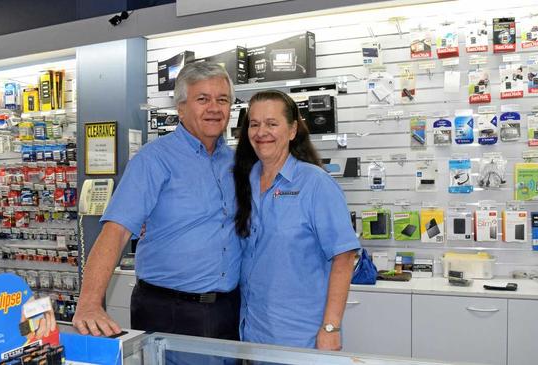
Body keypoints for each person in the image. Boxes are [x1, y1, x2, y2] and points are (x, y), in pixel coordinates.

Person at [72, 62, 241, 343]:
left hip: (227, 309)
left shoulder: (235, 162)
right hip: (170, 312)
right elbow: (116, 231)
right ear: (181, 108)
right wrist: (89, 302)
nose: (214, 108)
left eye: (222, 100)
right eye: (203, 99)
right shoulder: (153, 160)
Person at [233, 90, 360, 350]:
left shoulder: (316, 183)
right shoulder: (243, 182)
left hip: (301, 336)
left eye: (271, 123)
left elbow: (344, 257)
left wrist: (331, 327)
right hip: (252, 332)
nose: (261, 132)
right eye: (254, 124)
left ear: (292, 130)